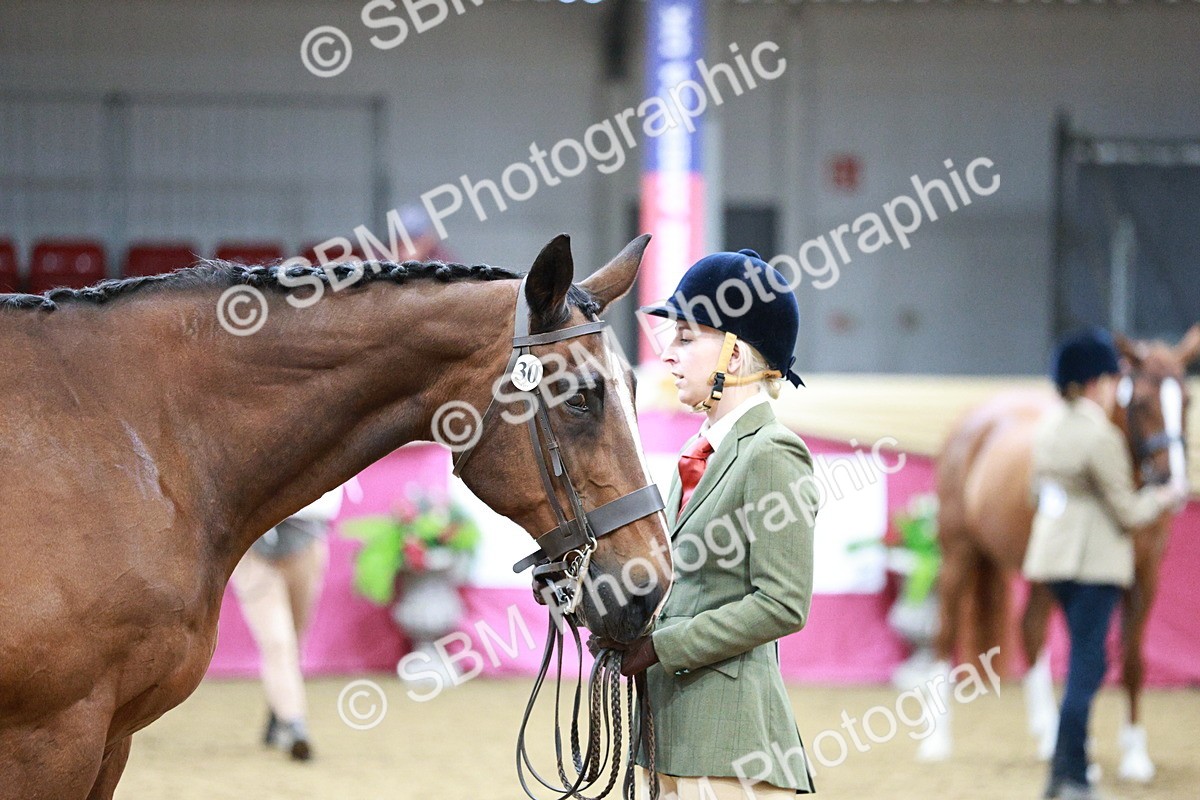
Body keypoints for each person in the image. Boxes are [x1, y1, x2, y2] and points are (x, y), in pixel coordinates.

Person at [595, 249, 818, 798]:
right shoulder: (699, 454)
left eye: (687, 339)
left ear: (735, 356)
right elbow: (686, 585)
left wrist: (664, 647)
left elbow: (783, 603)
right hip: (670, 734)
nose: (667, 355)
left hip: (732, 742)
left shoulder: (772, 453)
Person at [1023, 328, 1184, 800]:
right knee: (1086, 671)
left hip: (1053, 560)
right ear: (1094, 382)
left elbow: (1038, 491)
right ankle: (1072, 776)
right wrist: (1163, 496)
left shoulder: (1048, 427)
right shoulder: (1102, 437)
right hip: (1095, 566)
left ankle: (1060, 774)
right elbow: (1128, 512)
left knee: (1080, 664)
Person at [231, 479, 360, 761]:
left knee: (294, 639)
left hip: (306, 534)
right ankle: (296, 726)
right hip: (252, 541)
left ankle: (280, 709)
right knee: (277, 642)